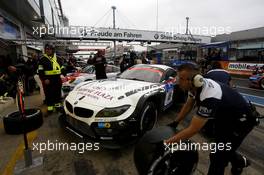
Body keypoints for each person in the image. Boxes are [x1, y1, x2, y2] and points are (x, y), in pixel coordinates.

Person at [165, 63, 259, 175]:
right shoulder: (195, 86)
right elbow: (189, 104)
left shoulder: (209, 95)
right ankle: (240, 161)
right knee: (222, 147)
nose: (178, 81)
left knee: (218, 156)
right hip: (224, 118)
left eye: (181, 78)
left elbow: (192, 130)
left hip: (242, 121)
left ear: (193, 80)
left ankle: (238, 162)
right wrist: (175, 122)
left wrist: (166, 143)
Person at [37, 43, 65, 112]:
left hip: (57, 79)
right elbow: (40, 71)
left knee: (57, 93)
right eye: (46, 49)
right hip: (48, 80)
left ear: (53, 50)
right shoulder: (42, 59)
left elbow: (63, 68)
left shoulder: (58, 58)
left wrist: (62, 74)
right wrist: (44, 79)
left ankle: (57, 106)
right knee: (49, 94)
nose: (48, 50)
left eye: (49, 49)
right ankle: (50, 108)